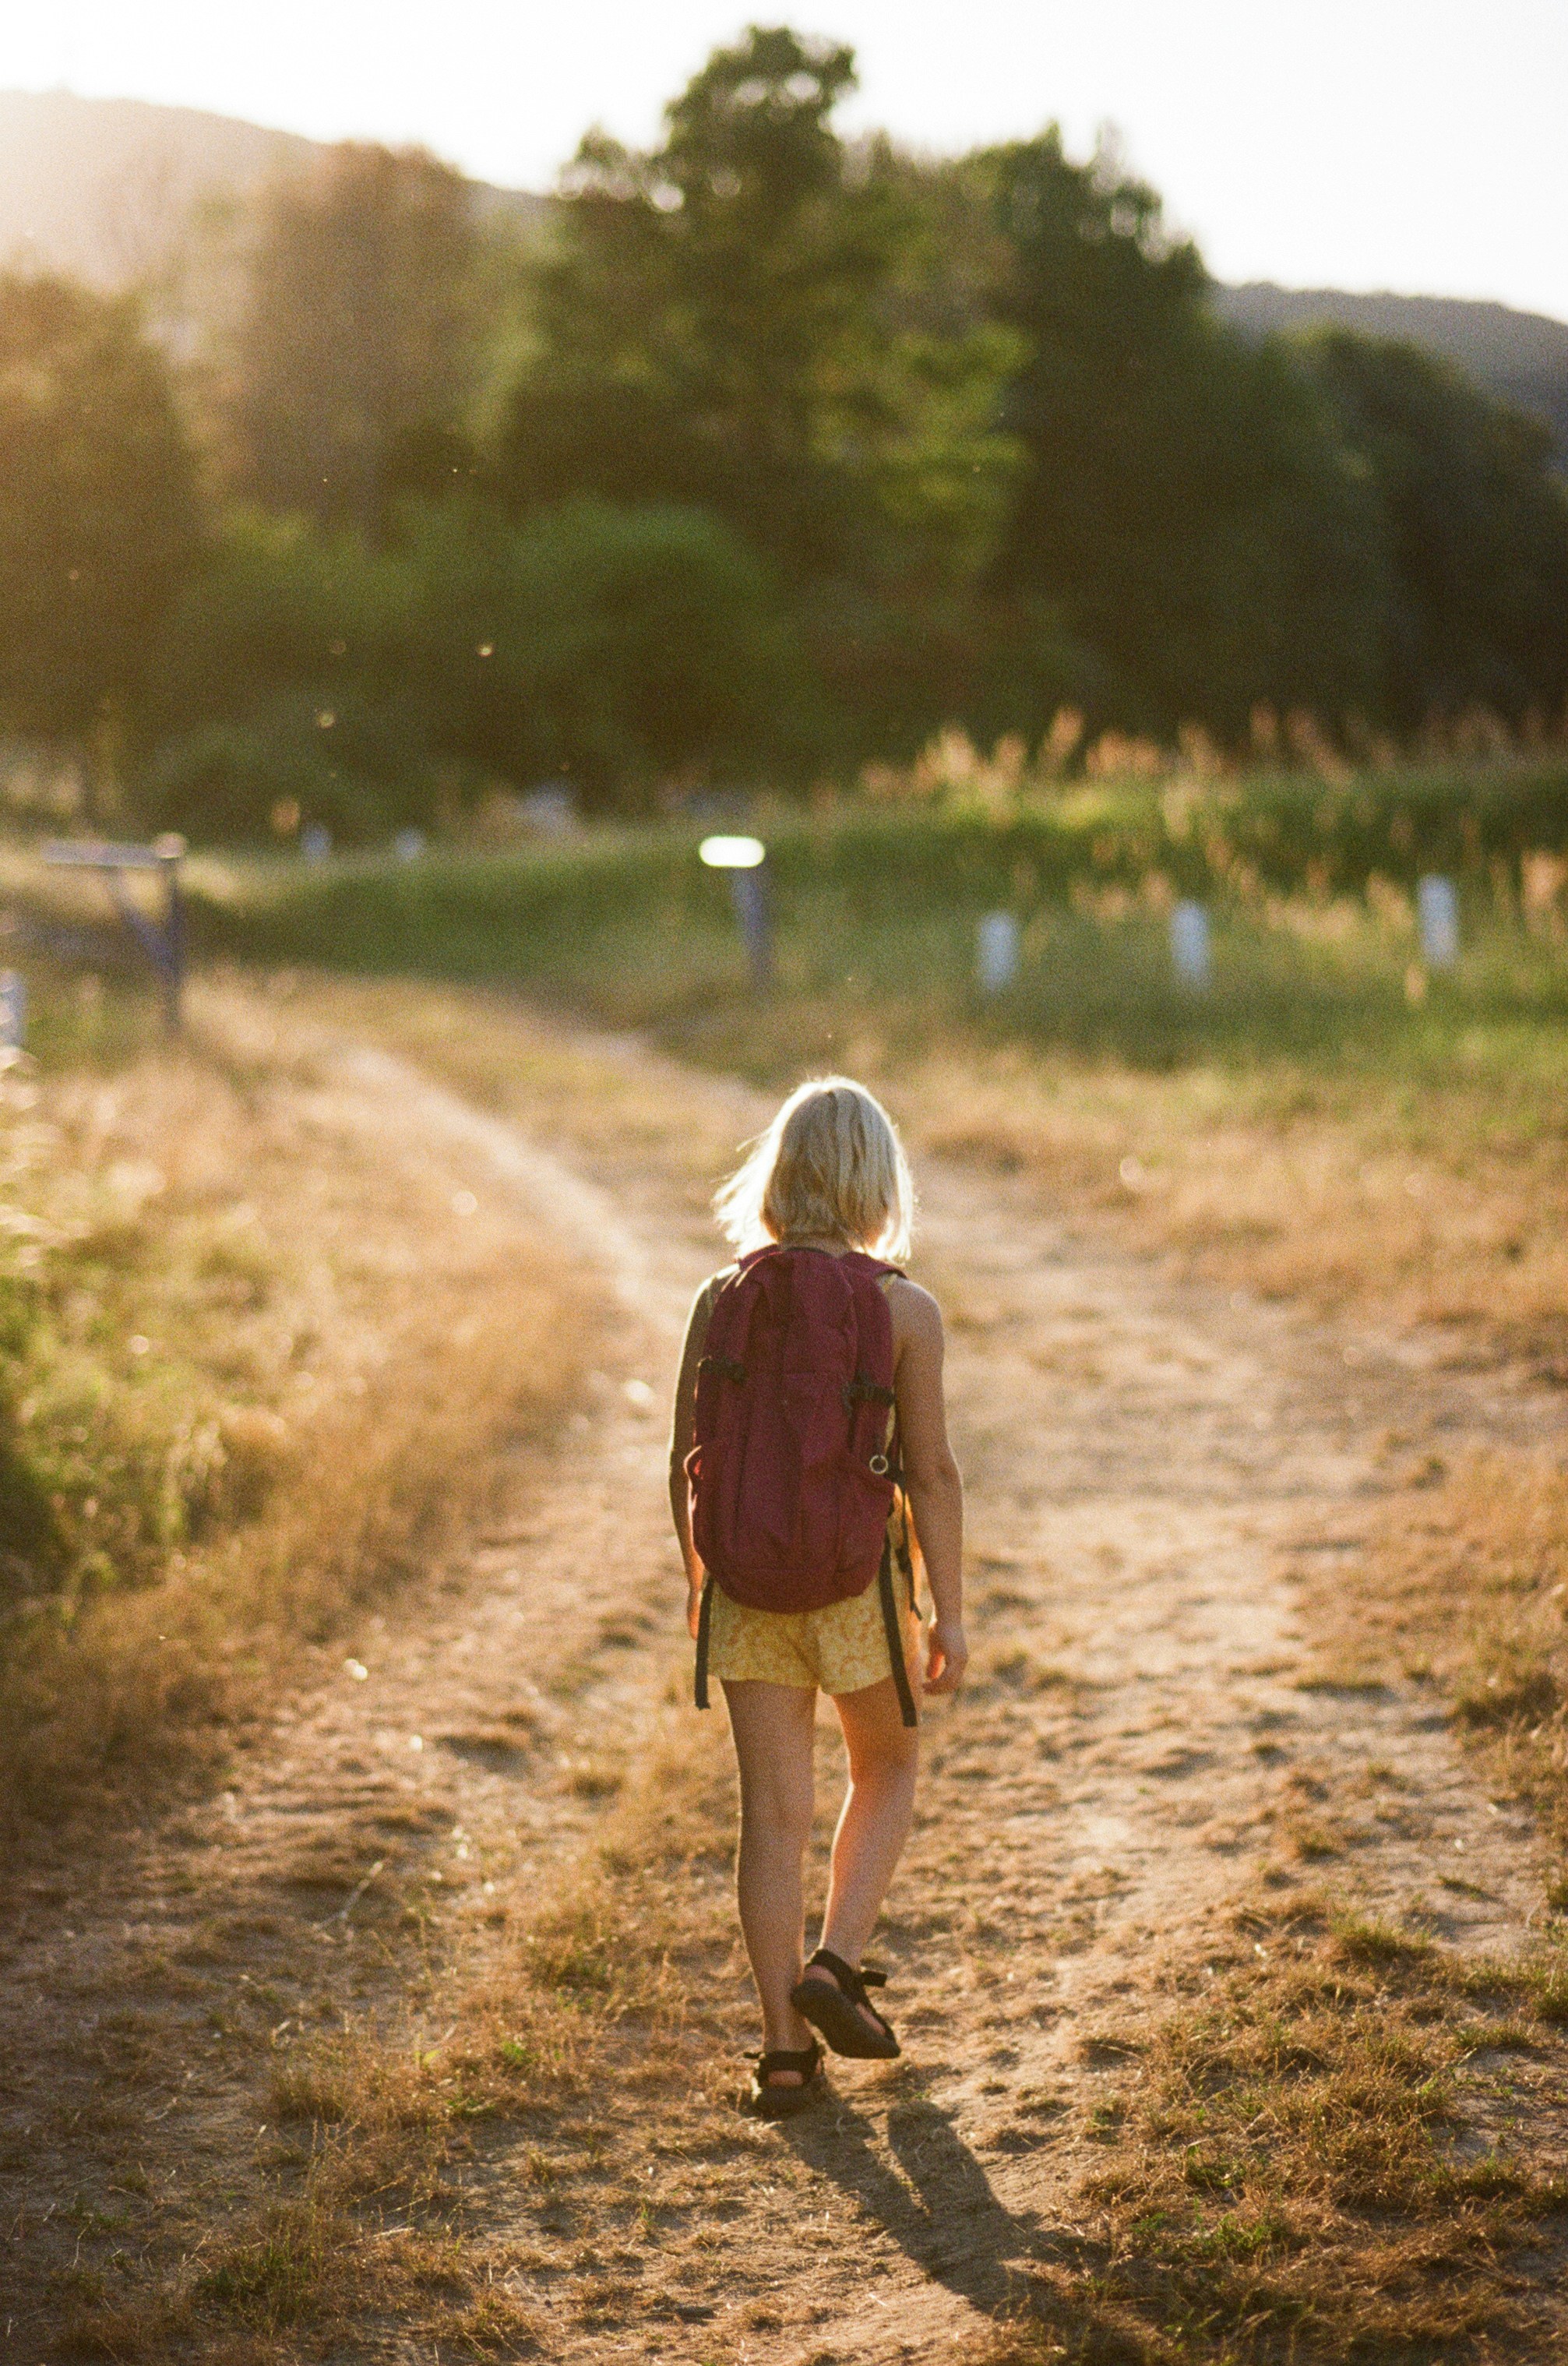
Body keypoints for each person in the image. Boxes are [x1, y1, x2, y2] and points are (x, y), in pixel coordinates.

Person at [668, 1077, 966, 2116]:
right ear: (878, 1180)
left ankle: (784, 2055)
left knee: (772, 1818)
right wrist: (951, 1611)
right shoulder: (902, 1308)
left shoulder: (720, 1297)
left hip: (746, 1588)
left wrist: (700, 1585)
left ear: (781, 1173)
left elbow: (686, 1459)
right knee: (885, 1762)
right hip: (855, 1589)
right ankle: (835, 1962)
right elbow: (928, 1472)